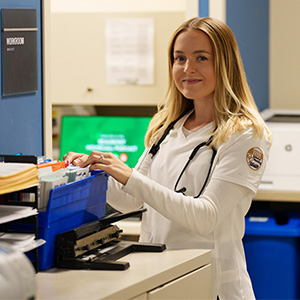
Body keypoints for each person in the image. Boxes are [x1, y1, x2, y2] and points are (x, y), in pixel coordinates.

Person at [64, 17, 271, 299]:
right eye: (179, 58)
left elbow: (206, 218)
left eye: (201, 58)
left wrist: (128, 175)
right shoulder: (167, 127)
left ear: (224, 64)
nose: (188, 68)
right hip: (163, 278)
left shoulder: (246, 135)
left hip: (213, 286)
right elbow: (131, 199)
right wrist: (93, 170)